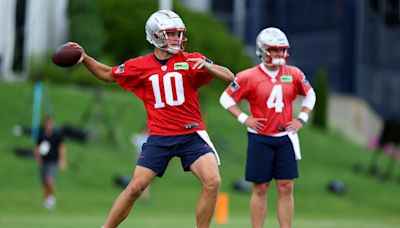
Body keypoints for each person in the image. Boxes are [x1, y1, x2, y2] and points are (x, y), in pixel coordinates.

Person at [69, 10, 234, 228]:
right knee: (136, 187)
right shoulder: (140, 65)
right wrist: (85, 59)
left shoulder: (192, 59)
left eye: (179, 34)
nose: (178, 39)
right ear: (155, 35)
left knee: (213, 181)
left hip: (191, 133)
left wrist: (209, 67)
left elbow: (230, 76)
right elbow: (108, 74)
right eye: (172, 34)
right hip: (160, 136)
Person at [219, 27, 316, 228]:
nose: (280, 54)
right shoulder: (249, 76)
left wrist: (302, 118)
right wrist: (244, 118)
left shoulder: (293, 73)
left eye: (282, 50)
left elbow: (310, 94)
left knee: (286, 186)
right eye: (275, 50)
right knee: (260, 188)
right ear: (263, 50)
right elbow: (226, 97)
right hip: (260, 137)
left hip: (285, 137)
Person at [33, 115, 67, 210]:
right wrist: (38, 159)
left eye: (50, 123)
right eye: (47, 123)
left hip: (53, 161)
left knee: (50, 180)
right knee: (45, 183)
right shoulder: (41, 134)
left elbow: (61, 147)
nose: (48, 125)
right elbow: (36, 147)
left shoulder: (56, 135)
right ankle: (46, 200)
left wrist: (62, 160)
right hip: (44, 161)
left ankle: (51, 198)